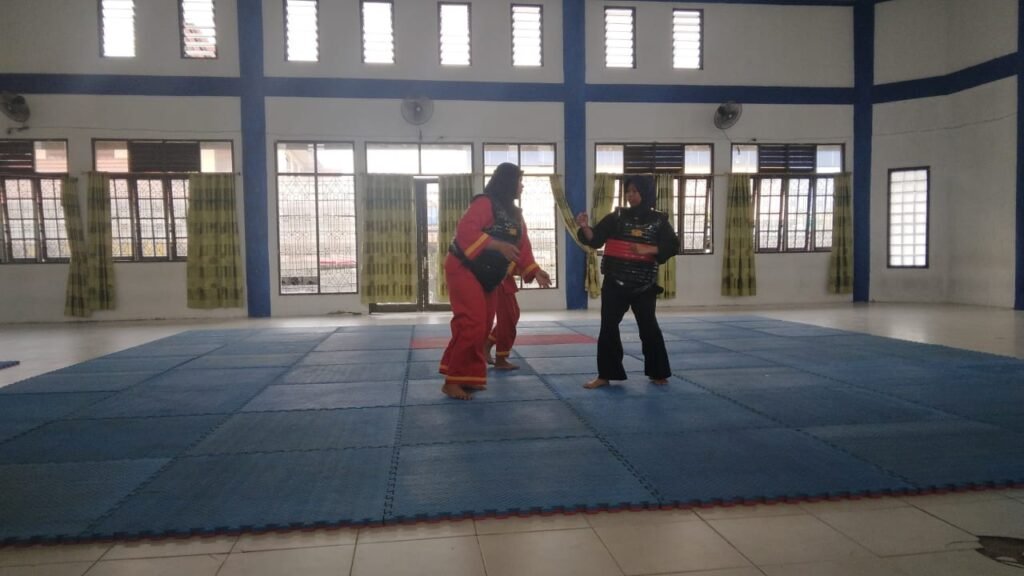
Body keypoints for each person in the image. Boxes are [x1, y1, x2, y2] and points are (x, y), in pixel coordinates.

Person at [440, 163, 551, 400]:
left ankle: (467, 377)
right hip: (463, 268)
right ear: (507, 182)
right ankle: (452, 382)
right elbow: (465, 231)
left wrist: (535, 270)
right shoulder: (484, 203)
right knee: (472, 322)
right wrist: (497, 245)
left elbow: (523, 247)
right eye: (519, 181)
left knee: (482, 325)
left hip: (489, 275)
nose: (522, 186)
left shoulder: (515, 215)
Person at [575, 174, 679, 389]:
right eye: (628, 191)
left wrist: (648, 248)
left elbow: (673, 245)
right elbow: (595, 239)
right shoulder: (616, 217)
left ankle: (658, 372)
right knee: (608, 327)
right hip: (615, 282)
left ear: (646, 193)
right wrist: (585, 226)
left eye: (635, 191)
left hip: (644, 284)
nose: (630, 195)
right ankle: (605, 375)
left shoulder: (659, 220)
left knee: (649, 328)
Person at [485, 271, 521, 370]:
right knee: (507, 320)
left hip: (502, 280)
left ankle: (487, 344)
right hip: (499, 280)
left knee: (513, 316)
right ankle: (500, 359)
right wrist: (533, 271)